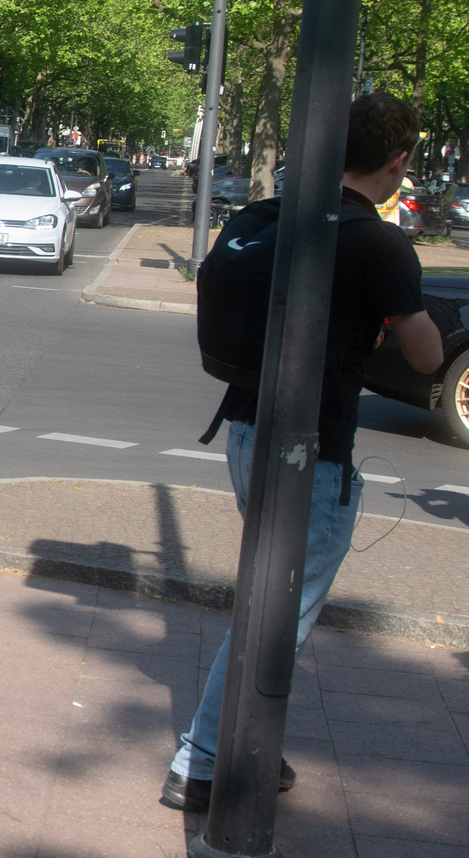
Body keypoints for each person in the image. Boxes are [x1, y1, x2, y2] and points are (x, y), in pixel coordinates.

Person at [163, 93, 444, 811]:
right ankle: (202, 758)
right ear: (398, 158)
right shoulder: (378, 239)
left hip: (247, 427)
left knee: (269, 591)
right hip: (311, 447)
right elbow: (428, 352)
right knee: (277, 609)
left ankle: (247, 741)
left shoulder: (280, 213)